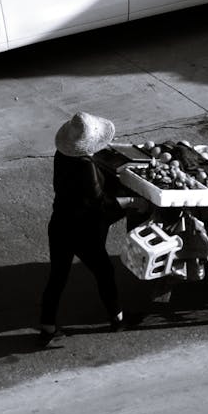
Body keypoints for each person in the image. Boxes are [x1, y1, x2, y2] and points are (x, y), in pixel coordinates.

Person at [38, 111, 139, 345]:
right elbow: (100, 203)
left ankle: (47, 326)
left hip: (60, 223)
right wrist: (134, 202)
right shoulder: (85, 166)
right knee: (104, 272)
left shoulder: (61, 156)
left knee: (58, 276)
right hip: (84, 230)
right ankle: (118, 319)